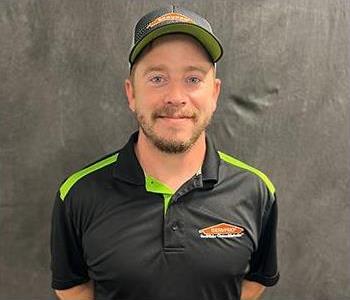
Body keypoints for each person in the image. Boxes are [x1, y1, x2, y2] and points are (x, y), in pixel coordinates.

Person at [50, 5, 279, 300]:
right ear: (132, 93)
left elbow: (257, 279)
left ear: (214, 94)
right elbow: (71, 285)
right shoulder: (78, 193)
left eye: (193, 79)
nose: (175, 97)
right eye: (157, 78)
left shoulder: (256, 191)